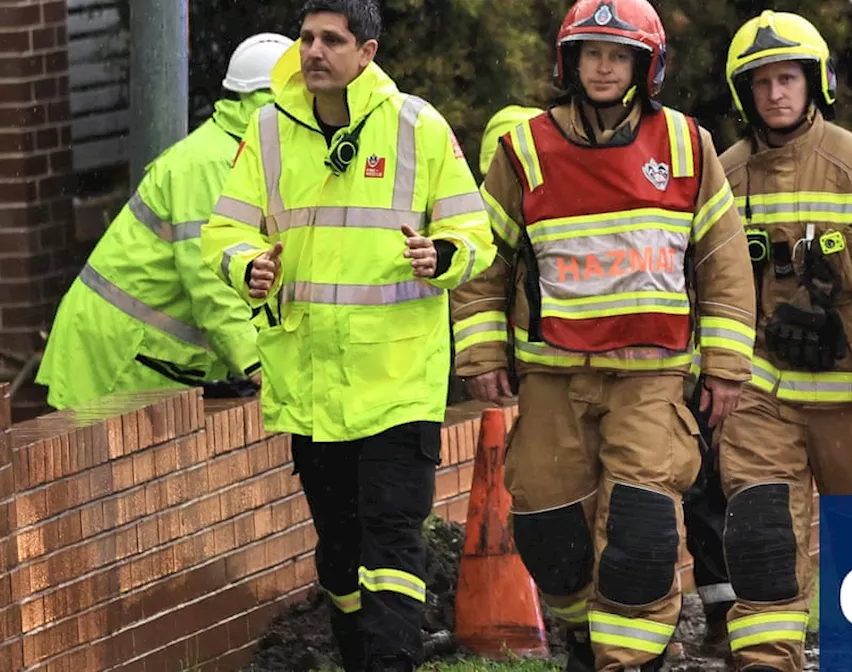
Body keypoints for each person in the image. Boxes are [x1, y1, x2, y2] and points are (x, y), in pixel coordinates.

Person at [448, 1, 756, 670]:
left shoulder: (685, 144)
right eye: (593, 53)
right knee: (548, 533)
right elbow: (484, 259)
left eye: (620, 55)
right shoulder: (523, 150)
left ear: (646, 67)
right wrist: (481, 353)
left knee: (643, 538)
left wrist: (727, 365)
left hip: (652, 378)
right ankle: (584, 637)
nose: (606, 66)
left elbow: (723, 262)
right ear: (570, 62)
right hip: (553, 377)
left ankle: (631, 660)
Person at [200, 1, 495, 670]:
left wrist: (442, 255)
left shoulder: (417, 126)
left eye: (332, 40)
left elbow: (475, 233)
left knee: (393, 545)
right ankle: (360, 657)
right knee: (339, 552)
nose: (313, 51)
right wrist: (248, 263)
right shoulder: (269, 131)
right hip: (312, 390)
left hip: (398, 386)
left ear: (366, 53)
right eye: (307, 37)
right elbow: (223, 231)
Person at [712, 10, 852, 672]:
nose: (777, 94)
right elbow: (709, 288)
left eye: (789, 78)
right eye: (763, 82)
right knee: (764, 546)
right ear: (744, 94)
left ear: (815, 83)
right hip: (761, 399)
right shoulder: (722, 177)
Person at [35, 33, 293, 410]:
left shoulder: (252, 156)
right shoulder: (211, 164)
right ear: (271, 102)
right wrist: (258, 365)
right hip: (113, 354)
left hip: (143, 352)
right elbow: (210, 278)